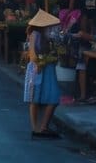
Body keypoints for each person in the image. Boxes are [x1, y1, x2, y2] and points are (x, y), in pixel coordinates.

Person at [24, 8, 63, 139]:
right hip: (37, 68)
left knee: (53, 97)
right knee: (34, 99)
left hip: (46, 67)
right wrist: (40, 62)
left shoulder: (46, 35)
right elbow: (33, 55)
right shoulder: (35, 34)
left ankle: (43, 126)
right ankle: (36, 128)